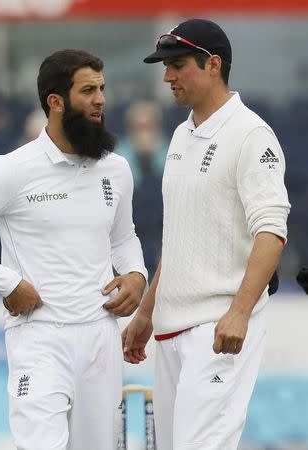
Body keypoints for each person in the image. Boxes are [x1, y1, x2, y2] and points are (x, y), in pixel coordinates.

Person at [0, 49, 147, 450]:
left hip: (101, 336)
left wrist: (136, 274)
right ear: (55, 101)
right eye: (88, 91)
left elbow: (124, 237)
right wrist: (8, 283)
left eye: (102, 88)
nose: (101, 99)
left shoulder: (116, 169)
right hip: (39, 337)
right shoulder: (12, 169)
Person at [122, 19, 290, 450]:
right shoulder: (179, 135)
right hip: (170, 330)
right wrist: (146, 310)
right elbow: (180, 237)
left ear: (213, 64)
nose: (167, 76)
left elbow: (271, 231)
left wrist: (238, 312)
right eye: (165, 66)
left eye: (177, 65)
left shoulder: (251, 134)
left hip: (218, 329)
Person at [116, 100, 167, 278]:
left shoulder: (171, 155)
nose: (144, 133)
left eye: (149, 127)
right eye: (139, 127)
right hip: (128, 244)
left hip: (162, 244)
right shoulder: (118, 159)